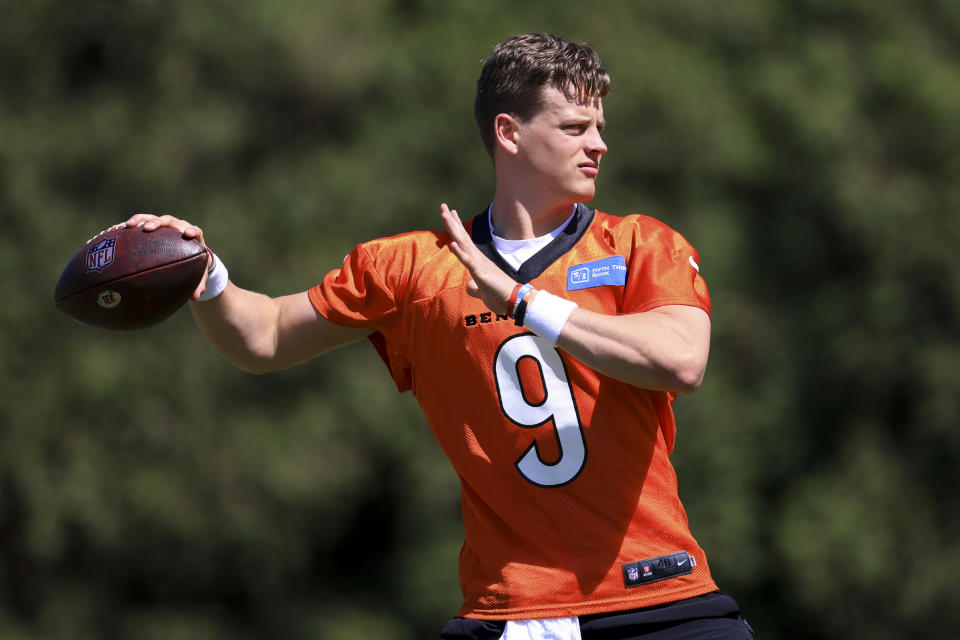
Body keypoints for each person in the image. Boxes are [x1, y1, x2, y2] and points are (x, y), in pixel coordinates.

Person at [128, 32, 752, 640]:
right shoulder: (411, 268)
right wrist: (204, 273)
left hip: (657, 596)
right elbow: (262, 337)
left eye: (600, 127)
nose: (599, 144)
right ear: (509, 133)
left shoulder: (641, 242)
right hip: (509, 608)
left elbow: (680, 360)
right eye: (574, 128)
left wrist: (518, 299)